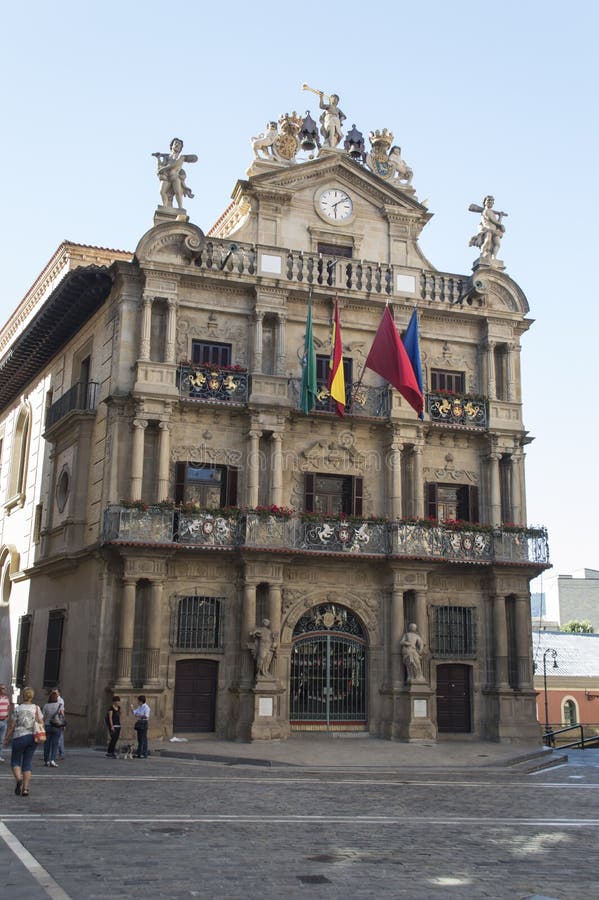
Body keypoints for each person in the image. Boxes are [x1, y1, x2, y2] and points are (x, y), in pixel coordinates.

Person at [3, 686, 43, 797]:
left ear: (23, 696)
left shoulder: (18, 709)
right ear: (32, 696)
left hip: (19, 737)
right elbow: (41, 722)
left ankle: (19, 779)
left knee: (15, 761)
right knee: (27, 762)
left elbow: (12, 725)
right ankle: (25, 789)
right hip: (32, 738)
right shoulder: (36, 708)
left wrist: (6, 738)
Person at [152, 138, 198, 209]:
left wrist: (163, 169)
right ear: (171, 146)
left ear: (181, 148)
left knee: (178, 192)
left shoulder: (181, 157)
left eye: (179, 144)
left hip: (175, 176)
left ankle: (180, 208)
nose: (177, 145)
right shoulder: (167, 157)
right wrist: (158, 158)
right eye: (175, 143)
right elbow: (160, 166)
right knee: (162, 192)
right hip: (166, 177)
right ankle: (165, 206)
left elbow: (173, 165)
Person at [468, 195, 506, 259]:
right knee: (487, 241)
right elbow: (491, 219)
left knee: (497, 244)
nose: (490, 202)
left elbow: (497, 223)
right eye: (488, 200)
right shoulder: (485, 211)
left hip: (495, 230)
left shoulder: (492, 212)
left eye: (492, 201)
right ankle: (482, 254)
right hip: (488, 229)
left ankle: (494, 256)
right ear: (485, 202)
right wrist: (500, 225)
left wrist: (500, 217)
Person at [42, 689, 64, 768]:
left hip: (47, 726)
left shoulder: (46, 706)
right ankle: (52, 760)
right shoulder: (59, 705)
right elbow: (62, 715)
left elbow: (43, 717)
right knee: (55, 744)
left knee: (47, 744)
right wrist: (62, 724)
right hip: (56, 726)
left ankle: (46, 760)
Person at [0, 683, 12, 762]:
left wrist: (7, 716)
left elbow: (8, 707)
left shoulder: (7, 698)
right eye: (3, 688)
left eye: (5, 688)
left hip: (4, 721)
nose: (5, 690)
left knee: (1, 740)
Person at [55, 686, 66, 760]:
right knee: (58, 737)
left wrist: (63, 722)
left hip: (59, 718)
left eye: (55, 692)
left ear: (59, 693)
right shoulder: (53, 700)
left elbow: (62, 711)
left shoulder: (60, 700)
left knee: (60, 737)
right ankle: (58, 753)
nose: (54, 694)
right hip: (55, 718)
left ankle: (61, 753)